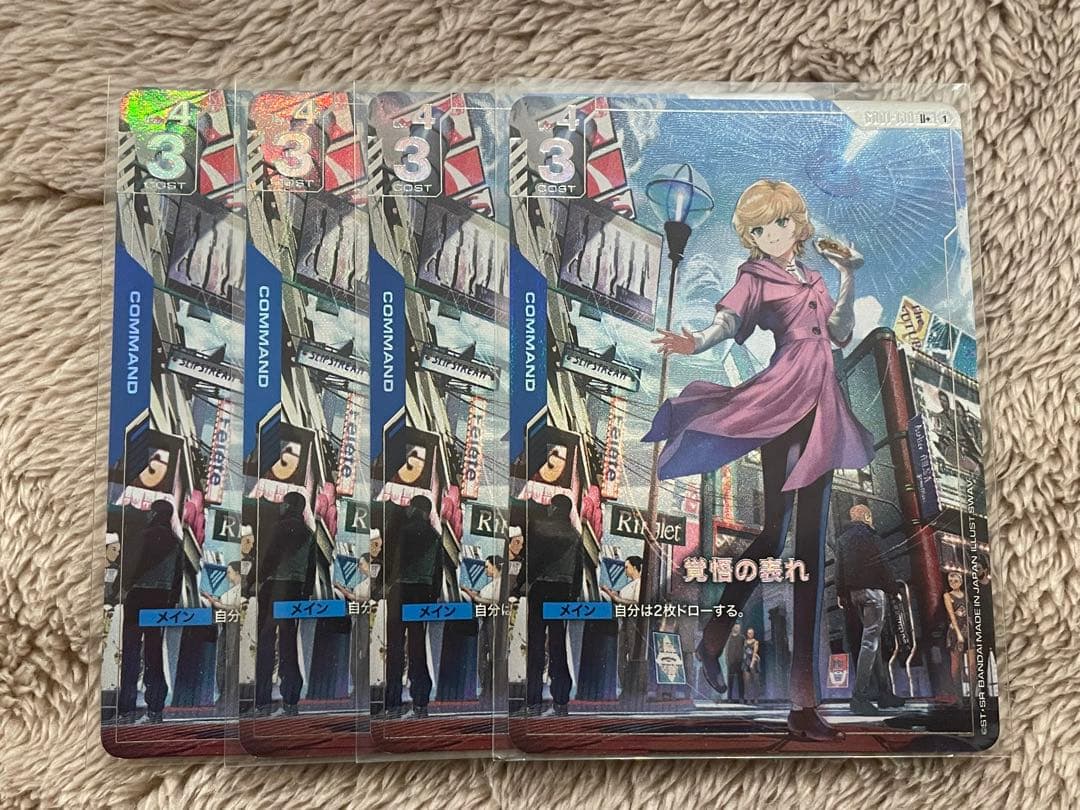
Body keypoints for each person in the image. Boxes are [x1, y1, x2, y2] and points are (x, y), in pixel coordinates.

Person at [646, 179, 874, 741]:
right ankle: (714, 638)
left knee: (810, 547)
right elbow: (729, 322)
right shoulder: (755, 276)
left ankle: (803, 705)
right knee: (774, 536)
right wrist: (694, 342)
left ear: (798, 223)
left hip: (824, 406)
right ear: (750, 236)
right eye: (759, 228)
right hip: (782, 402)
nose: (772, 234)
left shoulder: (816, 277)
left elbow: (839, 332)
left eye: (781, 222)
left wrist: (848, 276)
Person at [117, 499, 184, 724]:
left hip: (138, 598)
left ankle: (126, 709)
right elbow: (178, 578)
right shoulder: (176, 543)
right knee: (154, 654)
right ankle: (155, 708)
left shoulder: (143, 536)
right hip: (161, 600)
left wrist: (122, 588)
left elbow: (131, 566)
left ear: (155, 514)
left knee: (131, 652)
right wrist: (171, 602)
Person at [835, 504, 905, 715]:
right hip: (873, 593)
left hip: (854, 594)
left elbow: (839, 569)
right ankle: (859, 698)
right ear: (866, 516)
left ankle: (885, 693)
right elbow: (883, 563)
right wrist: (893, 590)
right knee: (870, 643)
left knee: (873, 643)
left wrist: (841, 593)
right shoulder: (871, 536)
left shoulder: (842, 539)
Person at [254, 491, 316, 717]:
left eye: (283, 503)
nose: (280, 507)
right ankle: (291, 699)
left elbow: (268, 558)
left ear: (288, 505)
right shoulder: (309, 534)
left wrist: (255, 580)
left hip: (273, 588)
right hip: (295, 590)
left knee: (266, 641)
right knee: (289, 643)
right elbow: (311, 568)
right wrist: (305, 593)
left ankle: (262, 700)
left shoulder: (278, 528)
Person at [384, 495, 442, 718]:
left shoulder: (402, 531)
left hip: (400, 591)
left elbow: (392, 561)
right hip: (422, 593)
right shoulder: (435, 536)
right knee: (417, 648)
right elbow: (438, 572)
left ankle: (393, 703)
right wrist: (432, 597)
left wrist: (385, 585)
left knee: (395, 648)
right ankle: (421, 702)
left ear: (414, 509)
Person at [525, 495, 582, 716]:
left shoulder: (541, 528)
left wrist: (522, 583)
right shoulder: (575, 535)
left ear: (555, 507)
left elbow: (532, 560)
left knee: (536, 646)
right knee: (558, 645)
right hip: (562, 591)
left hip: (541, 588)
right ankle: (561, 700)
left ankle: (533, 701)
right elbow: (578, 570)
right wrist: (573, 596)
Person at [202, 560, 243, 709]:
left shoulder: (241, 591)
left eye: (229, 572)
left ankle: (229, 696)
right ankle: (224, 695)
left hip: (235, 630)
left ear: (237, 573)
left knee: (231, 662)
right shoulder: (230, 592)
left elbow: (237, 608)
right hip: (227, 628)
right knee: (223, 662)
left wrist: (218, 604)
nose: (227, 576)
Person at [601, 555, 643, 694]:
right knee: (621, 657)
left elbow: (636, 603)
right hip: (624, 621)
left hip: (633, 622)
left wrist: (617, 598)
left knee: (631, 655)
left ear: (635, 567)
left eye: (627, 567)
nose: (625, 570)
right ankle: (626, 687)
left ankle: (632, 688)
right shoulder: (629, 585)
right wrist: (613, 595)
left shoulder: (640, 583)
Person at [464, 555, 504, 701]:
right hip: (486, 621)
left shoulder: (501, 584)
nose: (486, 570)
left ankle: (491, 691)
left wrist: (474, 597)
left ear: (495, 566)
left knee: (492, 656)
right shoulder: (490, 585)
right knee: (483, 658)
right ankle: (486, 691)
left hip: (493, 621)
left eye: (487, 566)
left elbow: (496, 601)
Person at [944, 571, 975, 704]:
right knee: (956, 666)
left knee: (972, 665)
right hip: (955, 631)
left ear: (961, 582)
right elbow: (951, 615)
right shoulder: (947, 596)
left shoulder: (966, 595)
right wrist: (958, 633)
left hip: (968, 629)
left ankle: (973, 697)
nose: (953, 583)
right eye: (950, 581)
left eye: (955, 581)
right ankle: (959, 697)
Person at [724, 624, 744, 702]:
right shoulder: (728, 638)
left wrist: (743, 659)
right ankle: (729, 698)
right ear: (733, 628)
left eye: (739, 627)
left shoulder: (742, 638)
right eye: (736, 627)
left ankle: (741, 698)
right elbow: (726, 649)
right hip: (731, 661)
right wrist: (727, 660)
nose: (737, 629)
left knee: (740, 680)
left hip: (739, 661)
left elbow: (744, 648)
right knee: (730, 680)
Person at [743, 627, 762, 704]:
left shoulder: (755, 642)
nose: (750, 634)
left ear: (753, 634)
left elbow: (754, 652)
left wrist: (752, 663)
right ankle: (748, 699)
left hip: (754, 661)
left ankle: (756, 698)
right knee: (747, 681)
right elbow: (744, 651)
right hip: (746, 661)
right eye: (749, 633)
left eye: (751, 633)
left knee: (755, 680)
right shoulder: (745, 642)